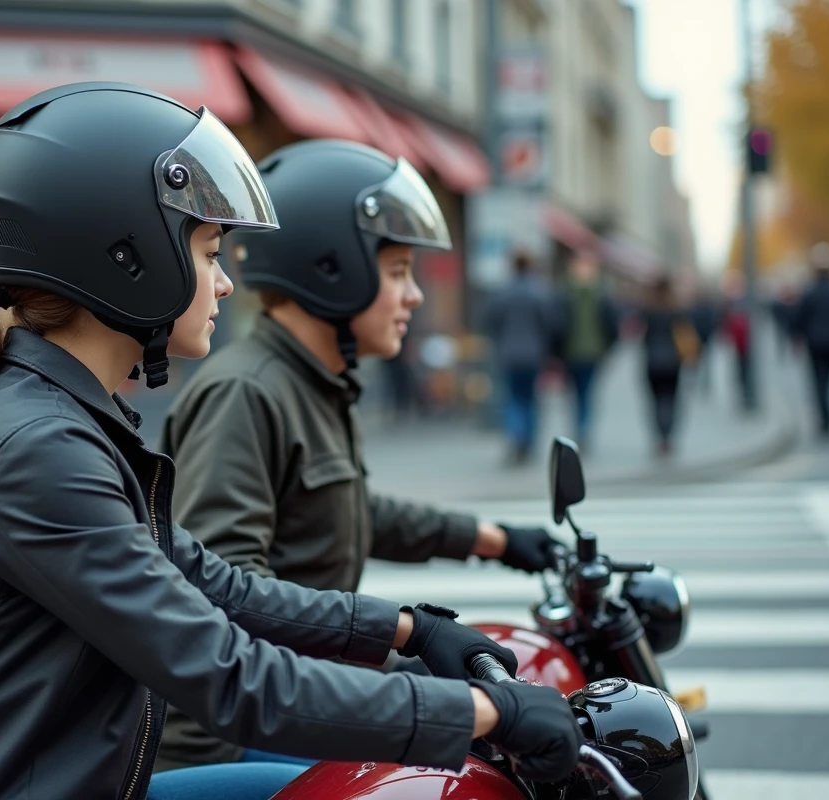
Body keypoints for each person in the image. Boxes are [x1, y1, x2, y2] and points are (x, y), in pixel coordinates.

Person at [0, 84, 581, 800]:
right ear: (128, 256)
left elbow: (216, 583)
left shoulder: (68, 419)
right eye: (208, 252)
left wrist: (412, 629)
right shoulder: (37, 448)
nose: (225, 283)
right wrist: (484, 715)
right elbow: (225, 675)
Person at [153, 139, 563, 773]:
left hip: (297, 703)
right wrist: (403, 656)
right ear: (331, 266)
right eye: (399, 271)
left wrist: (496, 540)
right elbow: (230, 595)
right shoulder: (247, 390)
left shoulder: (312, 381)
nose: (416, 296)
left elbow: (351, 508)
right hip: (229, 738)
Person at [483, 250, 560, 463]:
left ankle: (516, 436)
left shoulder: (502, 292)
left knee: (513, 398)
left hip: (508, 353)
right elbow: (550, 324)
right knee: (531, 398)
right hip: (534, 354)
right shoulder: (540, 291)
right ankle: (527, 441)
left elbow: (491, 320)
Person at [558, 250, 619, 450]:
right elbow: (612, 325)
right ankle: (582, 431)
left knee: (577, 393)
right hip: (590, 352)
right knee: (585, 394)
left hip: (574, 352)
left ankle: (580, 430)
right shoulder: (599, 292)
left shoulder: (566, 292)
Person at [792, 243, 829, 438]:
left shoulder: (809, 293)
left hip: (815, 344)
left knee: (819, 383)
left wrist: (797, 339)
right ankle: (828, 416)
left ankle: (824, 418)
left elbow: (799, 320)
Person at [640, 274, 695, 457]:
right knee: (671, 400)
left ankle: (660, 436)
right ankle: (667, 436)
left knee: (655, 401)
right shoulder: (676, 309)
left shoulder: (648, 309)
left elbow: (644, 338)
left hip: (653, 361)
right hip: (673, 362)